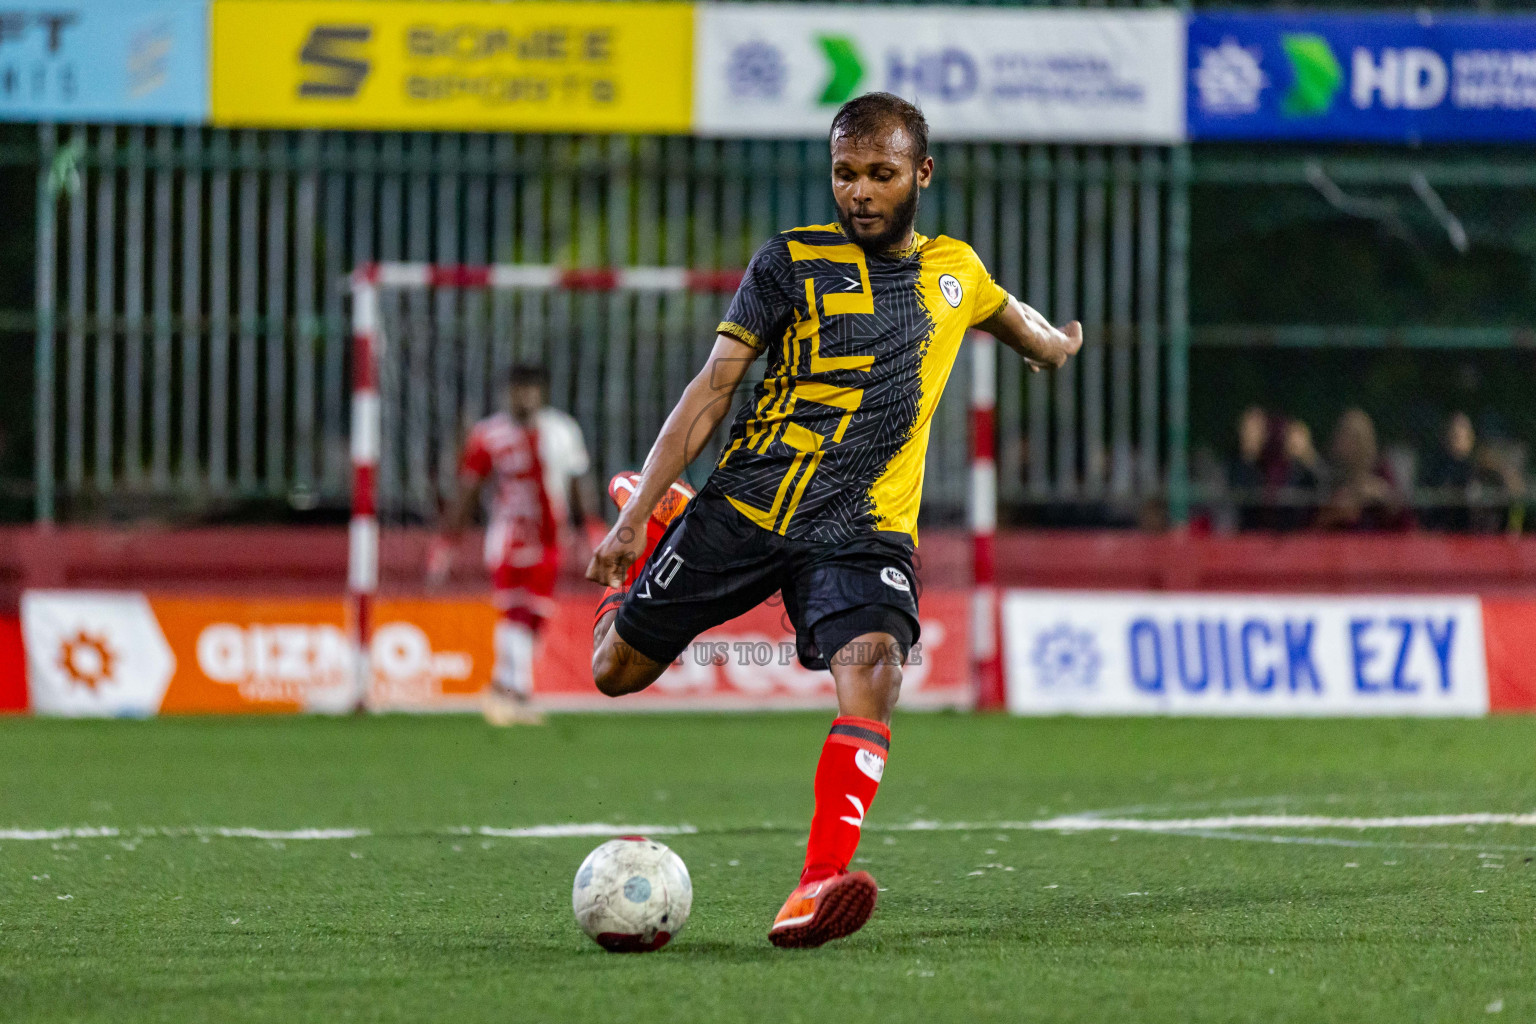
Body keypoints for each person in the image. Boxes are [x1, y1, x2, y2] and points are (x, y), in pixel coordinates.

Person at [584, 93, 1082, 948]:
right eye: (845, 173)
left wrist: (1053, 345)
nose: (859, 192)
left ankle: (816, 885)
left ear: (921, 175)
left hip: (864, 530)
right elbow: (714, 388)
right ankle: (659, 522)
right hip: (746, 505)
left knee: (876, 666)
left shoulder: (954, 271)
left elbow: (1011, 316)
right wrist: (630, 525)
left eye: (880, 175)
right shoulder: (787, 262)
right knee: (614, 674)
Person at [432, 364, 601, 725]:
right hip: (509, 535)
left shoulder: (562, 430)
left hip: (551, 537)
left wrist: (591, 530)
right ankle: (518, 692)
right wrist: (448, 540)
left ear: (541, 393)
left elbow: (577, 484)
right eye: (517, 389)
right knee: (515, 611)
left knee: (536, 615)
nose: (523, 396)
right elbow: (468, 490)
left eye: (530, 389)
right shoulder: (489, 435)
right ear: (507, 392)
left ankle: (501, 686)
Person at [1314, 407, 1412, 532]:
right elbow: (1311, 528)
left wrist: (1382, 494)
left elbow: (1405, 523)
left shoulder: (1381, 470)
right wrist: (1334, 513)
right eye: (1344, 436)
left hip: (1376, 543)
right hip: (1337, 544)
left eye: (1355, 439)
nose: (1347, 444)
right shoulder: (1327, 473)